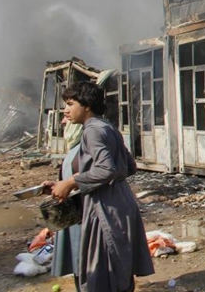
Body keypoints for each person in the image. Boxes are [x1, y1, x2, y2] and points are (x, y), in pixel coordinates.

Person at [51, 81, 154, 292]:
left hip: (105, 208)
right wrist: (68, 182)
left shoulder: (92, 131)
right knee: (118, 271)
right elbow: (128, 166)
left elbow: (106, 169)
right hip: (121, 202)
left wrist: (71, 182)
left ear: (87, 105)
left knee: (101, 274)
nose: (66, 110)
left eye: (70, 104)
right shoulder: (107, 127)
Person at [42, 117, 84, 289]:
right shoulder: (74, 149)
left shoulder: (86, 147)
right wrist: (57, 186)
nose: (63, 121)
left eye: (67, 116)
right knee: (79, 265)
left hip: (84, 215)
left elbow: (96, 175)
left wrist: (68, 184)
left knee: (87, 265)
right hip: (73, 216)